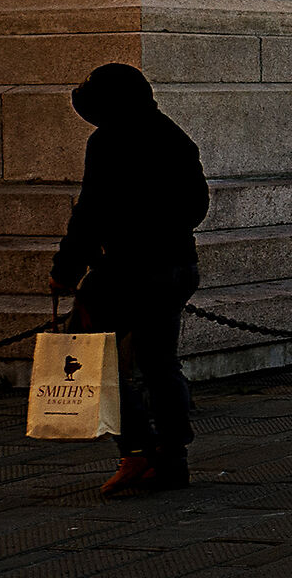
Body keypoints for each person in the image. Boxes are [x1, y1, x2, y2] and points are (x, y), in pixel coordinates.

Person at [50, 63, 209, 497]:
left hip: (127, 269)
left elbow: (90, 212)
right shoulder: (174, 137)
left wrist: (66, 270)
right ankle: (172, 458)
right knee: (160, 363)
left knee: (92, 357)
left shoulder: (109, 140)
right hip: (176, 264)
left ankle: (136, 450)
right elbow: (197, 205)